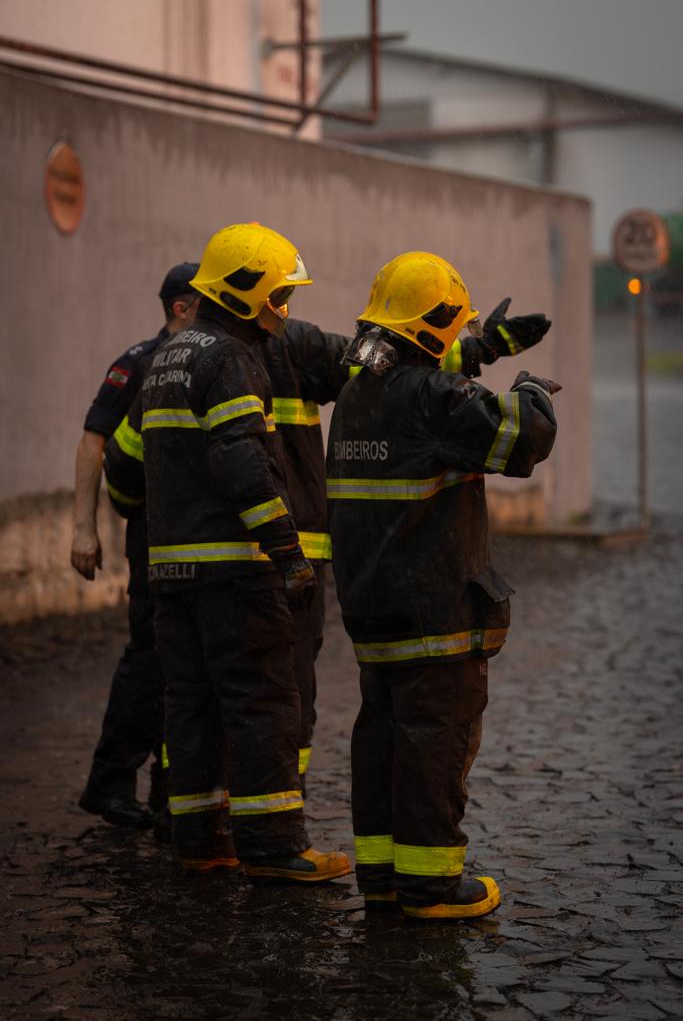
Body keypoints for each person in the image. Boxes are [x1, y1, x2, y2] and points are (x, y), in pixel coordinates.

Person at [103, 223, 351, 880]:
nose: (284, 311)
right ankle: (273, 849)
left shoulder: (167, 358)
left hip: (173, 574)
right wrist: (286, 553)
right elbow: (244, 460)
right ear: (244, 293)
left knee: (191, 707)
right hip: (236, 574)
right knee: (262, 702)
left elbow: (126, 474)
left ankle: (200, 840)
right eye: (278, 296)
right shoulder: (232, 359)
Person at [326, 250, 559, 919]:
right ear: (428, 327)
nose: (460, 336)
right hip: (434, 610)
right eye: (454, 326)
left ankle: (383, 878)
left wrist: (479, 348)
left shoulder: (356, 395)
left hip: (373, 611)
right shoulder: (433, 398)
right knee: (434, 741)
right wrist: (531, 389)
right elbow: (520, 439)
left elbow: (420, 389)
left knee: (382, 740)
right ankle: (429, 888)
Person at [73, 263, 200, 829]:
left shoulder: (203, 359)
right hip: (152, 533)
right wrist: (84, 527)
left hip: (190, 534)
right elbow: (94, 439)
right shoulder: (142, 361)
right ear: (181, 307)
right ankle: (110, 783)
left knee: (184, 662)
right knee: (149, 656)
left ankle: (168, 792)